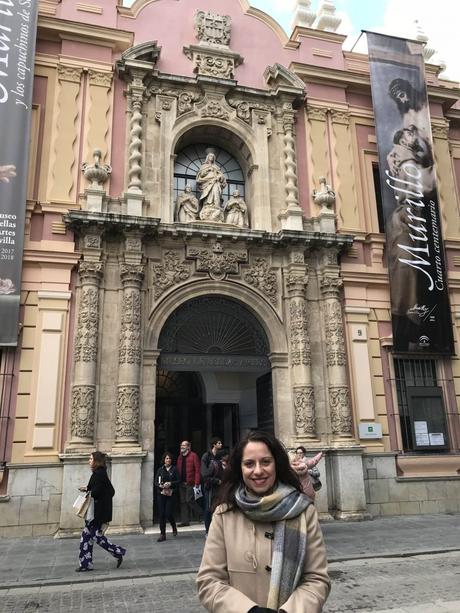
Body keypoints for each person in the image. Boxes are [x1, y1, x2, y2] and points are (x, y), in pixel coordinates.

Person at [197, 431, 330, 612]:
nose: (258, 470)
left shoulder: (304, 512)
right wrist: (247, 610)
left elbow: (317, 580)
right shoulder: (224, 515)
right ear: (240, 468)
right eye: (249, 464)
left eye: (266, 462)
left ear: (277, 464)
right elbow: (209, 581)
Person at [77, 451, 126, 572]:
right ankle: (85, 564)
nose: (89, 461)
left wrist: (89, 492)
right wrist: (87, 489)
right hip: (94, 512)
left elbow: (98, 492)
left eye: (90, 459)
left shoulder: (99, 474)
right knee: (86, 538)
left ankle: (118, 552)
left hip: (96, 513)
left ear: (96, 461)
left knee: (96, 537)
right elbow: (97, 488)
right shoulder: (98, 473)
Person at [155, 451, 180, 542]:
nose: (168, 460)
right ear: (164, 460)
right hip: (161, 494)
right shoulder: (160, 470)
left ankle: (173, 525)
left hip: (171, 494)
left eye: (169, 458)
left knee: (168, 513)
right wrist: (160, 485)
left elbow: (178, 481)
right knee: (161, 514)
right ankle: (162, 534)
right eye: (166, 458)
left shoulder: (175, 469)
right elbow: (156, 482)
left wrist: (170, 483)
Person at [176, 440, 202, 526]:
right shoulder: (180, 457)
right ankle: (185, 521)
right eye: (181, 445)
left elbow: (198, 470)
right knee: (183, 502)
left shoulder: (193, 456)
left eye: (183, 445)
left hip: (190, 483)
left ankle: (201, 513)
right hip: (181, 483)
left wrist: (197, 482)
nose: (181, 447)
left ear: (188, 447)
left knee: (189, 500)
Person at [201, 437, 224, 534]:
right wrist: (216, 481)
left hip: (218, 486)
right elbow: (204, 474)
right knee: (208, 508)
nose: (221, 444)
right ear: (214, 444)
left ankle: (217, 530)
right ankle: (208, 530)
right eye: (219, 443)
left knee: (217, 507)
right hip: (209, 487)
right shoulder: (206, 456)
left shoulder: (219, 456)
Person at [196, 152, 227, 222]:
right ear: (207, 158)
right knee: (207, 195)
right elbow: (200, 175)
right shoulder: (204, 166)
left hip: (215, 182)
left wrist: (219, 177)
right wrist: (208, 170)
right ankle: (207, 206)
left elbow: (222, 176)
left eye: (212, 157)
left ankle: (216, 206)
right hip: (206, 183)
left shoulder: (216, 167)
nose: (211, 158)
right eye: (210, 156)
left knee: (216, 193)